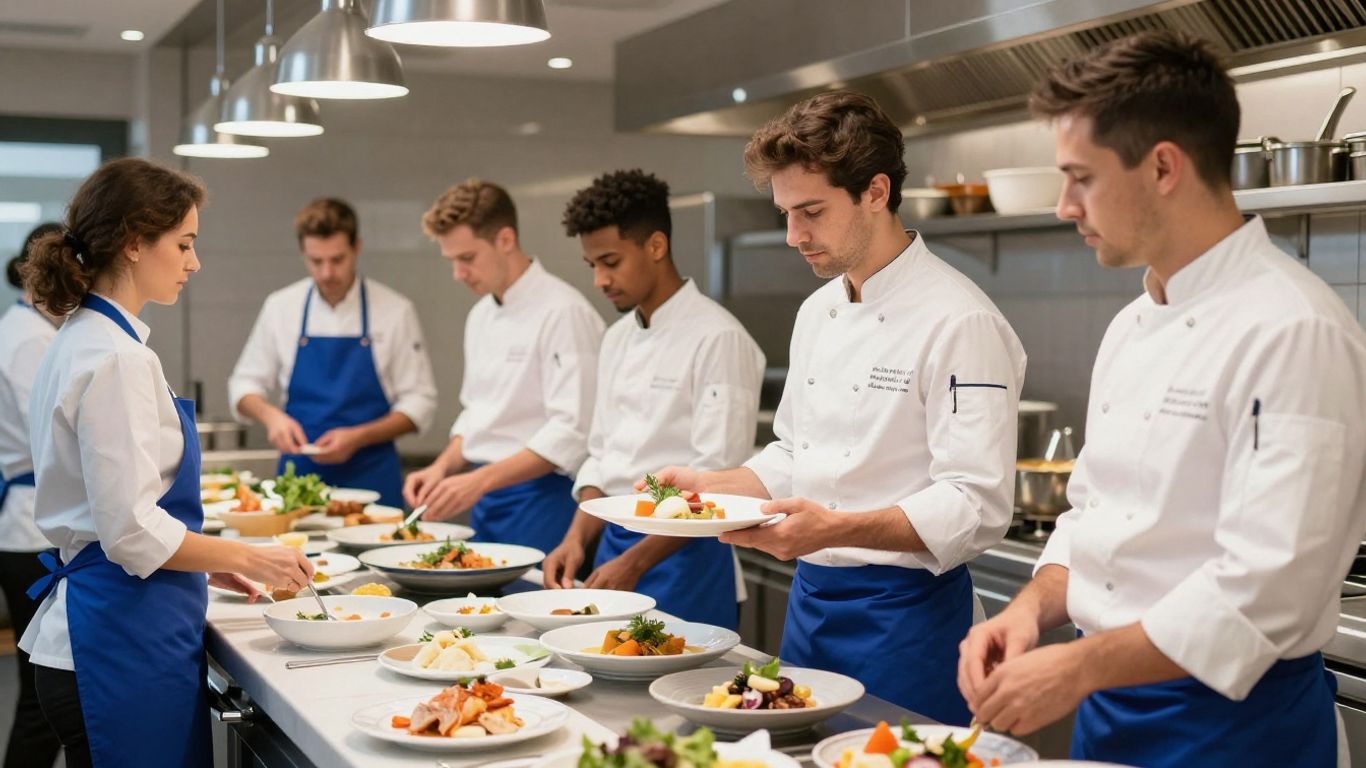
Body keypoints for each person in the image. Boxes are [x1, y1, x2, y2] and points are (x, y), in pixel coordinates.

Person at [957, 31, 1366, 767]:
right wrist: (1029, 610)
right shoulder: (1131, 323)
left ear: (1164, 166)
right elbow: (1093, 518)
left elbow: (1267, 589)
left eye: (1081, 177)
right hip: (1111, 714)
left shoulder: (1295, 329)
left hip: (1238, 731)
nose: (1062, 205)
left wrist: (1080, 666)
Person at [649, 91, 1026, 724]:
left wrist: (837, 527)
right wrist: (705, 487)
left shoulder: (961, 319)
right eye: (786, 213)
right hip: (811, 609)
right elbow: (796, 453)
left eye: (812, 212)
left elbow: (976, 502)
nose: (794, 236)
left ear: (876, 192)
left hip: (907, 621)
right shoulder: (817, 311)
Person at [19, 158, 313, 768]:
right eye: (183, 244)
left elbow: (113, 516)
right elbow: (129, 531)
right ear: (133, 242)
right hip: (116, 645)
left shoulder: (81, 338)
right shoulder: (115, 358)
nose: (193, 262)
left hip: (117, 626)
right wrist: (252, 555)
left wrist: (201, 566)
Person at [541, 169, 764, 628]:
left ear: (656, 246)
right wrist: (576, 538)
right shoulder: (618, 337)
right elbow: (602, 455)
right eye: (593, 266)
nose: (600, 279)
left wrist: (637, 563)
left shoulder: (719, 338)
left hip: (687, 564)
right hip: (614, 549)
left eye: (611, 261)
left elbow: (715, 482)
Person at [404, 179, 603, 553]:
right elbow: (478, 414)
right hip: (488, 501)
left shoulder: (564, 312)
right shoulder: (480, 315)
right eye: (452, 261)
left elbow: (572, 430)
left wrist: (478, 481)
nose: (458, 274)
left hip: (544, 502)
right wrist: (441, 467)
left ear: (506, 239)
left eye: (467, 258)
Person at [229, 198, 437, 506]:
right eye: (316, 261)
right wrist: (272, 417)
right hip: (299, 480)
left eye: (337, 260)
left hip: (373, 477)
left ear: (357, 248)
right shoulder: (281, 307)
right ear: (303, 253)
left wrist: (359, 436)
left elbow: (421, 401)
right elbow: (244, 385)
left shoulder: (395, 310)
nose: (327, 273)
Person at [0, 223, 64, 768]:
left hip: (26, 523)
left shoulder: (23, 330)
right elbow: (52, 443)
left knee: (41, 696)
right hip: (28, 532)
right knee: (41, 701)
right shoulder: (30, 340)